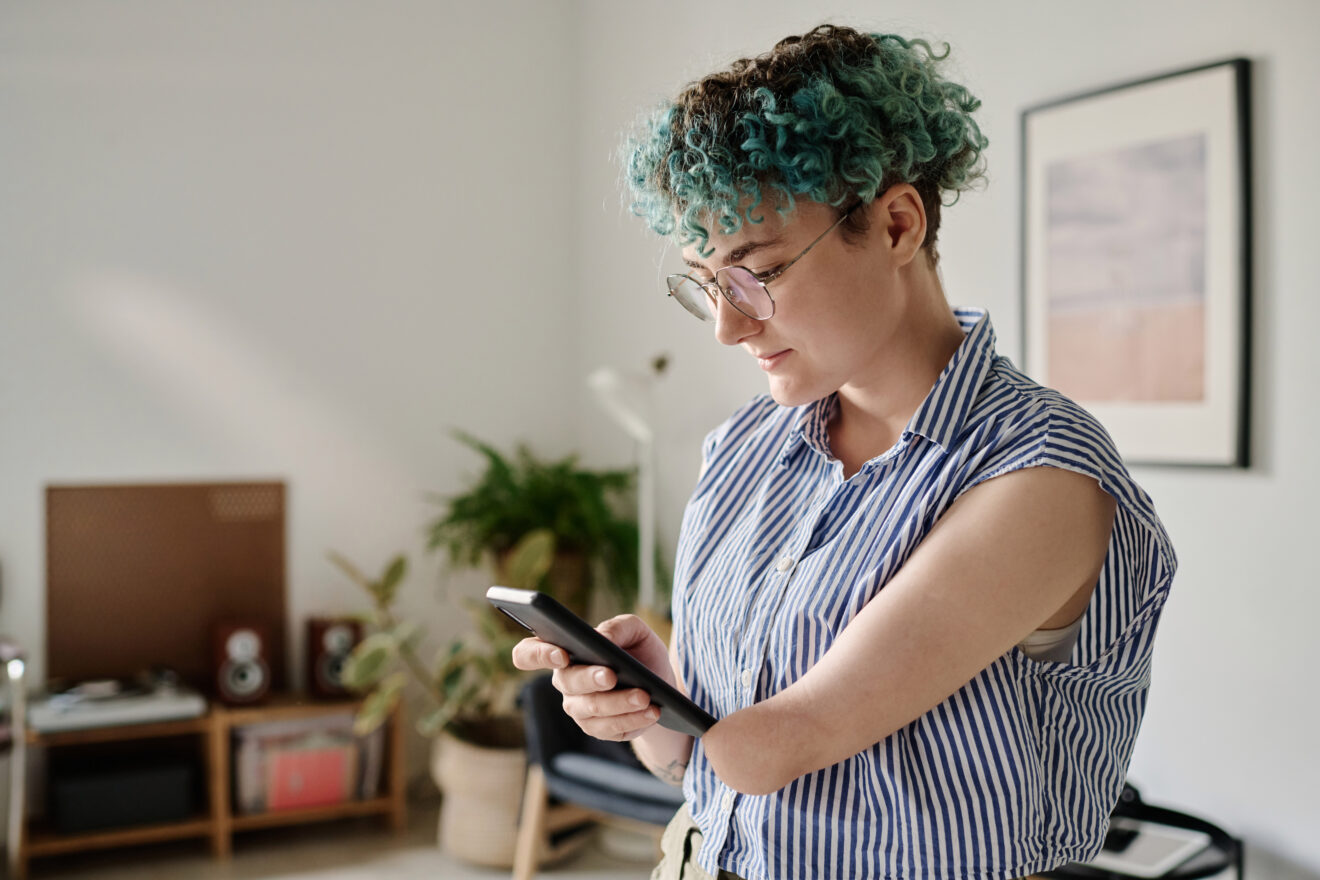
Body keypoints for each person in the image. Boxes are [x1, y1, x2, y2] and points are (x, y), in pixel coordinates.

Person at [513, 24, 1175, 880]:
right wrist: (651, 704)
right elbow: (706, 775)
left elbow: (778, 748)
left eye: (760, 271)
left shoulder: (1042, 472)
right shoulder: (744, 450)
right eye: (707, 281)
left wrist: (696, 728)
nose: (728, 324)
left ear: (898, 224)